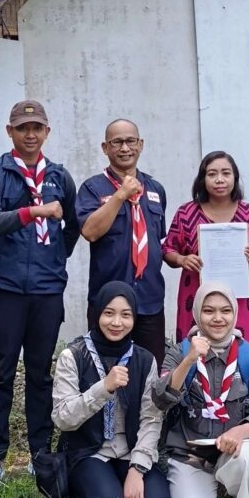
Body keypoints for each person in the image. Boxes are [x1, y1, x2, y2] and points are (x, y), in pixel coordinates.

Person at [0, 100, 80, 481]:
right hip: (6, 288)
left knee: (40, 373)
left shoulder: (59, 176)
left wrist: (55, 259)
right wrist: (33, 212)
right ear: (10, 132)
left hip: (46, 291)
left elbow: (72, 227)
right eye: (23, 128)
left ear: (47, 132)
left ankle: (40, 451)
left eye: (37, 127)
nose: (30, 134)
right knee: (1, 371)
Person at [154, 282, 249, 498]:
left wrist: (242, 431)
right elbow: (160, 399)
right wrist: (188, 361)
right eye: (209, 311)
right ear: (197, 313)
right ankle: (201, 495)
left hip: (232, 451)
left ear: (235, 313)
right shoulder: (180, 351)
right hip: (190, 454)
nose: (218, 318)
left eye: (225, 310)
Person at [51, 281, 171, 498]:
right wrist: (103, 388)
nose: (117, 323)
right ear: (97, 313)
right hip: (89, 451)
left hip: (129, 450)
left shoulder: (144, 360)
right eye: (109, 313)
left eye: (126, 315)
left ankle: (123, 489)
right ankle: (91, 491)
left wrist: (137, 469)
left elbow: (150, 418)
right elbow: (63, 418)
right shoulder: (73, 356)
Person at [76, 119, 168, 361]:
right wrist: (121, 195)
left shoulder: (156, 189)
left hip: (150, 299)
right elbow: (90, 231)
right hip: (108, 303)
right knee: (104, 372)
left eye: (131, 141)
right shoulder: (92, 188)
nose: (125, 148)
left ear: (141, 144)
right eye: (117, 142)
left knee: (150, 370)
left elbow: (158, 242)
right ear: (105, 148)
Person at [162, 152, 249, 345]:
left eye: (226, 173)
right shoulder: (186, 212)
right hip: (195, 291)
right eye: (212, 174)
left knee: (242, 349)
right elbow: (168, 249)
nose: (219, 180)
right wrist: (182, 260)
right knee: (195, 347)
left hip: (239, 294)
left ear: (235, 178)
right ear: (202, 179)